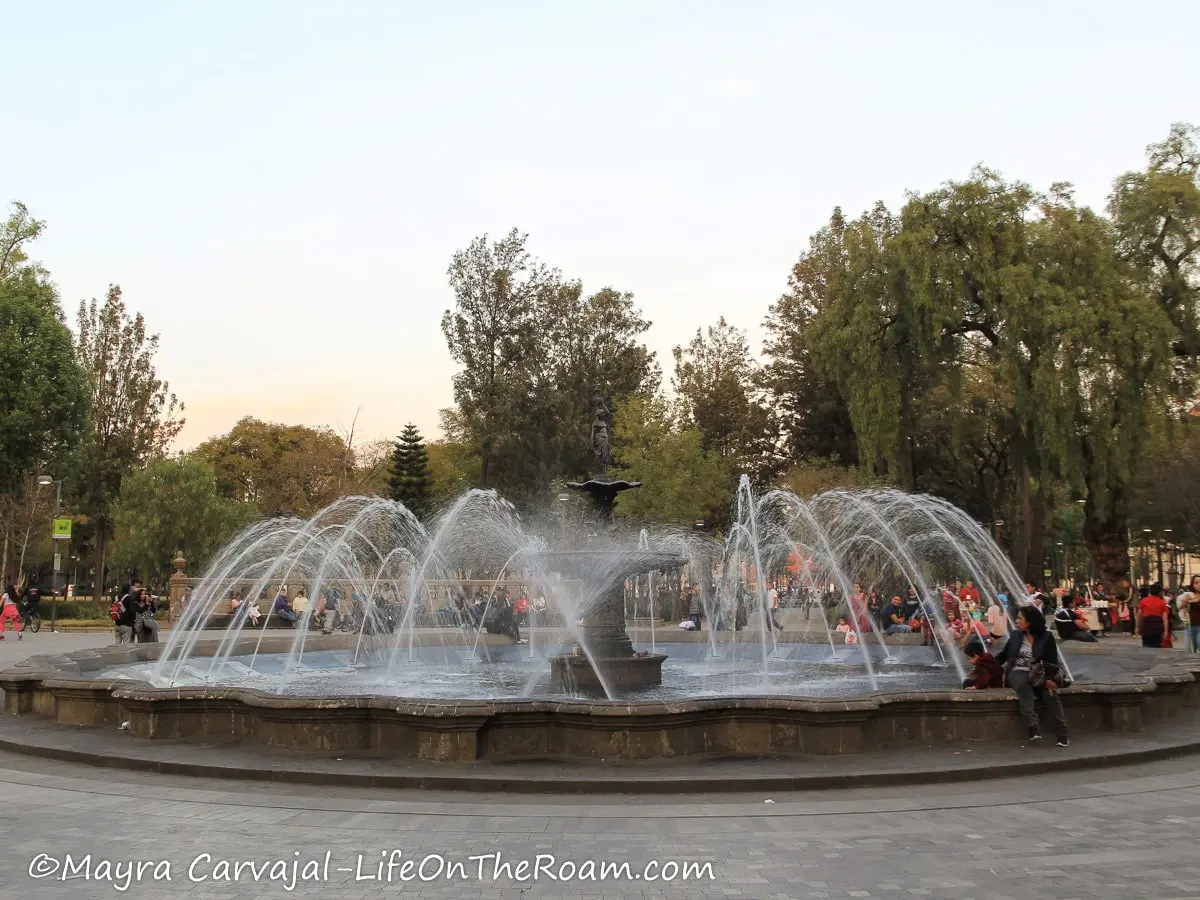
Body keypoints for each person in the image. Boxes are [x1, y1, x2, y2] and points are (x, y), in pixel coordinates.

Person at [994, 606, 1069, 746]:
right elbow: (1003, 655)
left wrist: (1049, 680)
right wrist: (985, 665)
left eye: (1020, 618)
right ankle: (1033, 728)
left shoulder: (1046, 637)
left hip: (1040, 673)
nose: (1016, 621)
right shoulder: (1016, 635)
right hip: (1018, 670)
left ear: (1030, 621)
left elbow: (1052, 660)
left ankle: (1062, 731)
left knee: (1049, 694)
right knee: (1023, 686)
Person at [1137, 583, 1170, 649]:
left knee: (1146, 646)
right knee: (1157, 646)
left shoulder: (1143, 601)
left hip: (1146, 626)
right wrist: (1166, 631)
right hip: (1157, 627)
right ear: (1160, 592)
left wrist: (1137, 627)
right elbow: (1165, 618)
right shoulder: (1162, 603)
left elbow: (1139, 615)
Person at [1180, 575, 1200, 653]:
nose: (1199, 584)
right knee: (1190, 650)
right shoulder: (1188, 595)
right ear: (1192, 584)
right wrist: (1185, 602)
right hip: (1190, 626)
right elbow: (1181, 608)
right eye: (1196, 583)